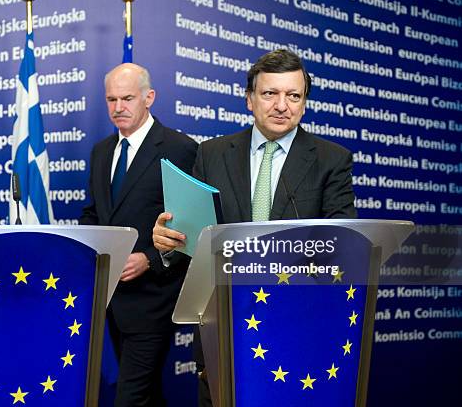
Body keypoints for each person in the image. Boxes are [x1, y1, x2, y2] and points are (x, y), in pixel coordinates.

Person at [152, 49, 357, 405]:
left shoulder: (331, 160)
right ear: (249, 100)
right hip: (223, 328)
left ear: (304, 103)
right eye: (269, 94)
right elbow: (197, 242)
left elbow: (341, 247)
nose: (282, 105)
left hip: (297, 330)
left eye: (294, 95)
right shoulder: (212, 154)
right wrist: (170, 245)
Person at [80, 63, 197, 406]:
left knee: (130, 397)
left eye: (127, 98)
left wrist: (149, 258)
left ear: (149, 98)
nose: (118, 108)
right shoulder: (101, 151)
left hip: (155, 298)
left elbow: (192, 225)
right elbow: (95, 212)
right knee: (146, 395)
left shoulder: (179, 148)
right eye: (111, 99)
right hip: (112, 299)